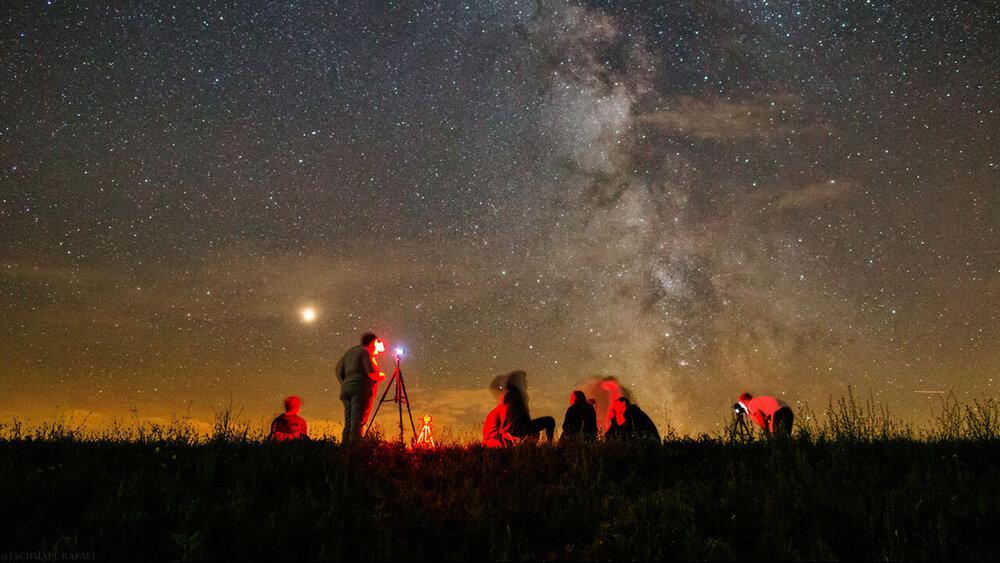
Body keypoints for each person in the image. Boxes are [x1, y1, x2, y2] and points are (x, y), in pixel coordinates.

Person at [336, 331, 386, 444]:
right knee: (358, 421)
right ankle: (355, 451)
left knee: (349, 421)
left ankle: (345, 448)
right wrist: (380, 376)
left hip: (346, 389)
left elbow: (338, 371)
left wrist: (346, 383)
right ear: (372, 342)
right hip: (360, 388)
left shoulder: (350, 352)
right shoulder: (365, 351)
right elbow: (371, 372)